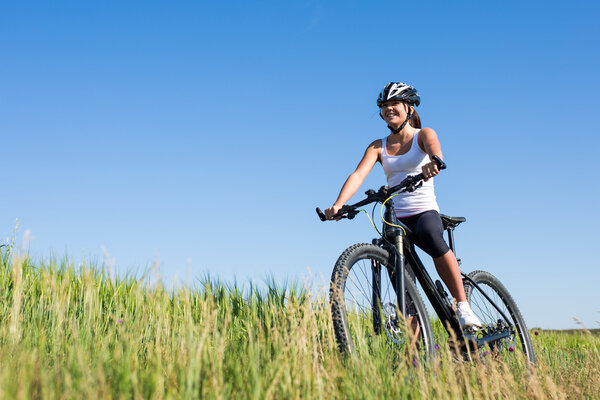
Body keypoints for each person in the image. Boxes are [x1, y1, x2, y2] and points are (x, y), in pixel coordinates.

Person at [323, 82, 482, 329]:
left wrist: (435, 162)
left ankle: (463, 306)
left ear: (409, 108)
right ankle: (415, 357)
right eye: (385, 106)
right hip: (395, 219)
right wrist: (338, 204)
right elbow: (357, 175)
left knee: (431, 235)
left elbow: (434, 149)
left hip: (423, 211)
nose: (389, 109)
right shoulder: (378, 146)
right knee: (405, 291)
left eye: (394, 104)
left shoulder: (423, 134)